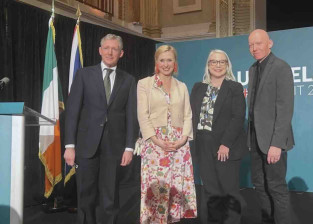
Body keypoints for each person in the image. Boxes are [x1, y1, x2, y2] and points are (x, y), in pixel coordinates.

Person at [64, 34, 137, 224]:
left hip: (114, 148)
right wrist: (69, 145)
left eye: (114, 49)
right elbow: (72, 112)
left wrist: (129, 147)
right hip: (86, 145)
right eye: (106, 48)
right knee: (85, 195)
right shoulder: (84, 75)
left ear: (121, 53)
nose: (110, 52)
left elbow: (131, 116)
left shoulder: (128, 80)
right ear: (100, 50)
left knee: (110, 197)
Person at [137, 45, 197, 223]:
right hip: (155, 146)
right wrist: (157, 141)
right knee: (156, 192)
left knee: (175, 190)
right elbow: (143, 115)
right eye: (162, 60)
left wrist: (182, 140)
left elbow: (188, 115)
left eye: (169, 60)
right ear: (156, 62)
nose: (166, 64)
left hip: (179, 146)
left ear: (175, 62)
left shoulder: (182, 86)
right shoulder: (144, 84)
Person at [190, 49, 247, 224]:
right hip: (203, 145)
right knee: (211, 192)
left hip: (225, 147)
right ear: (208, 65)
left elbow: (238, 117)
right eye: (214, 62)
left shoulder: (234, 87)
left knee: (229, 192)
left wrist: (225, 144)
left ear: (227, 65)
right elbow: (190, 116)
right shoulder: (198, 87)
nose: (218, 65)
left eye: (222, 62)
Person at [247, 29, 295, 224]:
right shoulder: (253, 69)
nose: (254, 48)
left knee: (276, 188)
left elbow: (285, 109)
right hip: (255, 141)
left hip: (273, 142)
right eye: (250, 45)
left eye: (258, 43)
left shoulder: (281, 67)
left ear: (270, 43)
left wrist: (276, 144)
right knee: (260, 186)